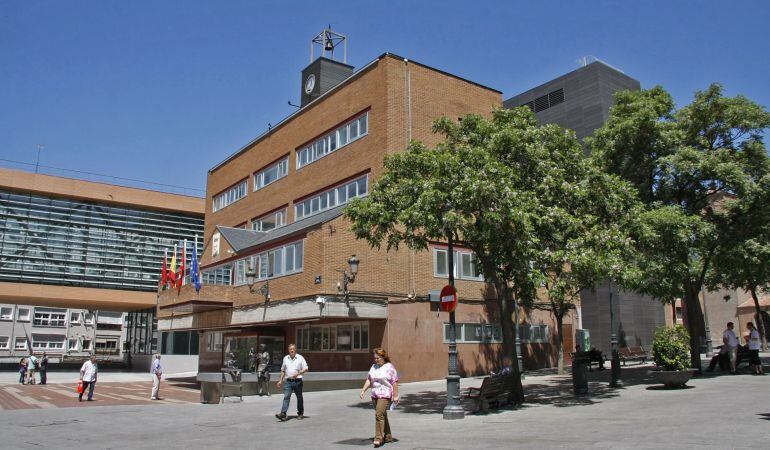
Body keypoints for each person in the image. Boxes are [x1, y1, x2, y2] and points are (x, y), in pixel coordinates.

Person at [359, 348, 399, 448]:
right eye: (375, 358)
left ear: (383, 357)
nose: (376, 360)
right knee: (382, 415)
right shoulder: (373, 367)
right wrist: (363, 390)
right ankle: (388, 436)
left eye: (378, 358)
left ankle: (378, 438)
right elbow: (369, 379)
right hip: (374, 394)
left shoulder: (389, 367)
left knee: (378, 414)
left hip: (385, 394)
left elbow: (394, 382)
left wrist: (395, 396)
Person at [275, 344, 308, 421]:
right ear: (288, 350)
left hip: (298, 381)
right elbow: (283, 370)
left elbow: (306, 368)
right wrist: (280, 380)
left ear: (295, 350)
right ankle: (283, 413)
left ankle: (300, 413)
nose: (292, 350)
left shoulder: (300, 358)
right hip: (288, 381)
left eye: (293, 349)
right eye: (290, 349)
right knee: (286, 397)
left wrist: (298, 373)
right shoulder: (285, 358)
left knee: (299, 398)